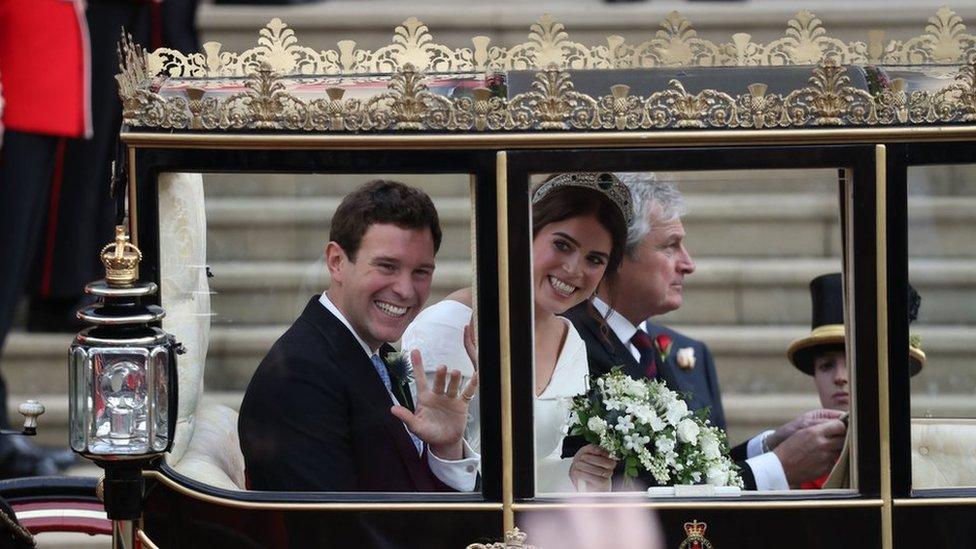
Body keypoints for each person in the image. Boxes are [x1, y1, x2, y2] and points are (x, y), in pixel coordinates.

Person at [564, 172, 846, 490]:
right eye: (670, 246)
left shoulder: (671, 349)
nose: (688, 264)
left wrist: (769, 445)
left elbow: (696, 470)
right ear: (615, 255)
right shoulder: (567, 345)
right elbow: (634, 491)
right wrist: (778, 468)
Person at [238, 180, 479, 492]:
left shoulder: (381, 355)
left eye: (421, 272)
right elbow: (336, 529)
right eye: (387, 266)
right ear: (337, 262)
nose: (406, 290)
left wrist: (445, 449)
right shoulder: (299, 376)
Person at [403, 172, 631, 492]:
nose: (574, 270)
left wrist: (577, 472)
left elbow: (538, 471)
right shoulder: (446, 326)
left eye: (594, 259)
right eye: (562, 245)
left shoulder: (572, 343)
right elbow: (412, 464)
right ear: (524, 235)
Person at [786, 272, 925, 488]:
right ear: (813, 375)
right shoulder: (793, 462)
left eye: (855, 363)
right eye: (826, 366)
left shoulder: (918, 452)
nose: (840, 377)